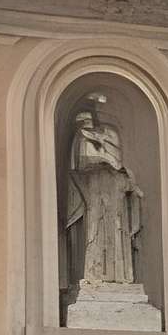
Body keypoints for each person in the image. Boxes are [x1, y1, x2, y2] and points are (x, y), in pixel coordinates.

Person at [65, 97, 142, 288]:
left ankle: (120, 275)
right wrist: (103, 157)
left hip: (114, 187)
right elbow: (81, 161)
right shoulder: (81, 137)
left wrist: (107, 156)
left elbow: (117, 160)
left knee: (116, 227)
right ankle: (95, 274)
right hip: (95, 187)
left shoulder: (110, 133)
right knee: (96, 229)